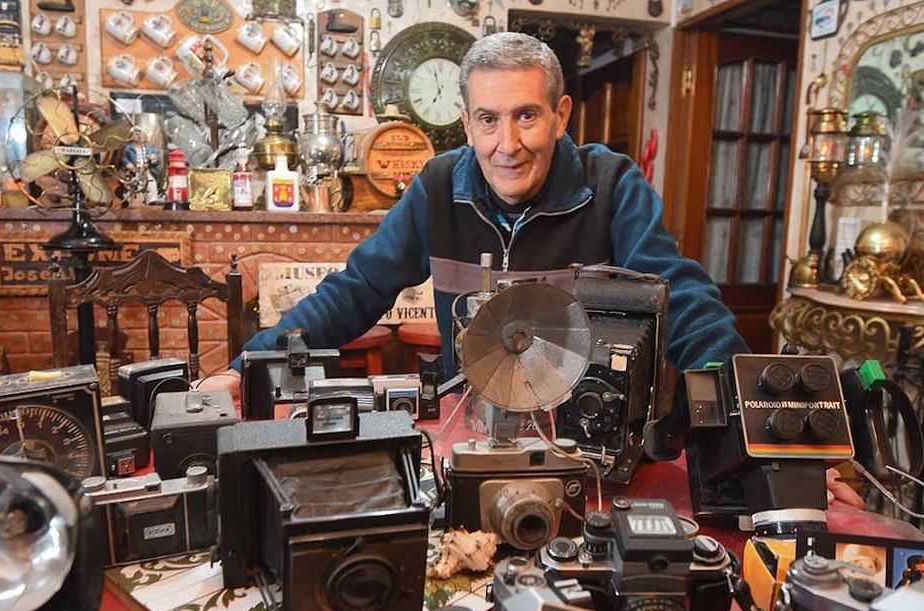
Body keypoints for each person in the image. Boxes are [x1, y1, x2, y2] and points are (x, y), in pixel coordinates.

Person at [201, 32, 862, 508]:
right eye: (488, 120)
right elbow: (354, 290)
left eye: (526, 116)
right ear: (466, 123)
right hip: (468, 442)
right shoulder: (436, 186)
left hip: (593, 455)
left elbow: (686, 299)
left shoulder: (613, 184)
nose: (507, 145)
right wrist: (247, 364)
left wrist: (762, 436)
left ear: (561, 115)